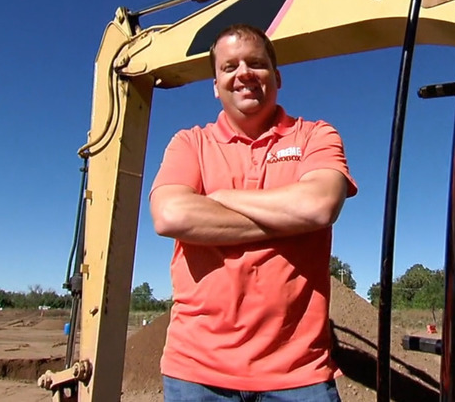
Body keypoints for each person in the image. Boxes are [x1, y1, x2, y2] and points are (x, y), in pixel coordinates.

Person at [149, 23, 358, 401]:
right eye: (229, 67)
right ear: (215, 85)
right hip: (197, 373)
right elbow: (171, 215)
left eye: (256, 63)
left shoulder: (315, 135)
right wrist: (289, 220)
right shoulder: (189, 143)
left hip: (298, 373)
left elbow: (319, 205)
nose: (243, 73)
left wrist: (218, 197)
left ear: (276, 77)